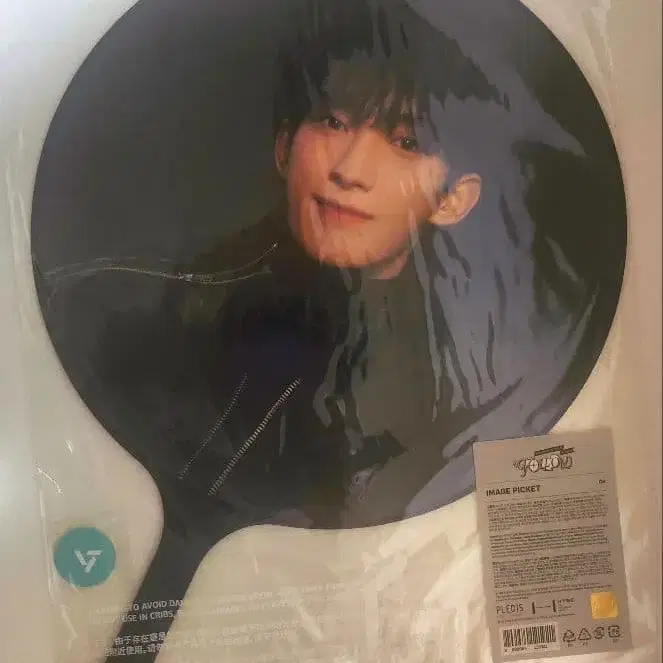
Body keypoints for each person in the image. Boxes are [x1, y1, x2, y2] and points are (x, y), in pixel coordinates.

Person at [41, 0, 625, 532]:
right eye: (334, 122)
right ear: (284, 147)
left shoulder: (479, 372)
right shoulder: (142, 307)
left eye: (406, 142)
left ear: (453, 200)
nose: (349, 168)